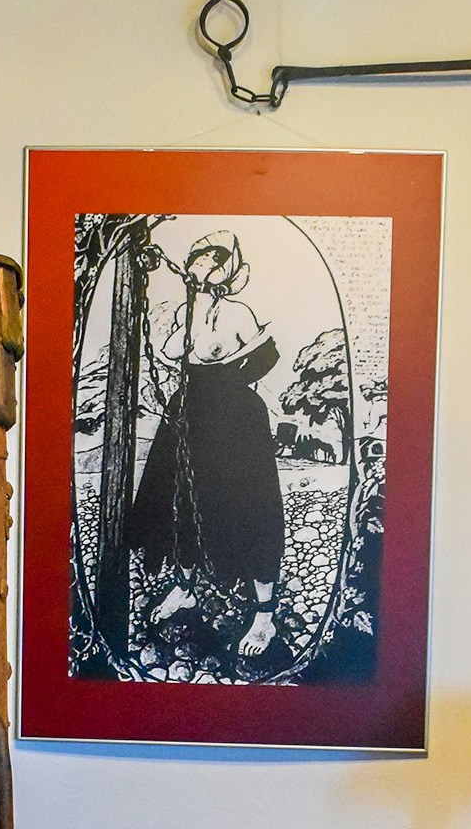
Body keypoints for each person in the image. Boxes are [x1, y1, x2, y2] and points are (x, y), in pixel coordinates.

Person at [127, 230, 287, 660]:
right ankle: (184, 588)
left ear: (230, 268)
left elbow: (262, 358)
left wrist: (226, 383)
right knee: (178, 503)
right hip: (189, 414)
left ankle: (264, 613)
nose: (205, 267)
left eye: (216, 260)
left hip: (236, 420)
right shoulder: (185, 311)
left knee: (251, 509)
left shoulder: (239, 313)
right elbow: (169, 353)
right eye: (199, 258)